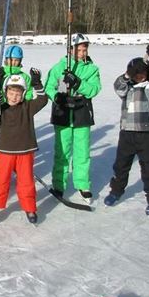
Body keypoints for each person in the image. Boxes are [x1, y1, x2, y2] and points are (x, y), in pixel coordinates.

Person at [104, 43, 149, 215]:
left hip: (146, 136)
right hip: (127, 134)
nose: (140, 76)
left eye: (143, 73)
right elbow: (118, 85)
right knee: (121, 166)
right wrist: (128, 74)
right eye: (136, 73)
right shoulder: (127, 89)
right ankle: (116, 191)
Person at [44, 33, 102, 201]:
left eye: (84, 50)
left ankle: (83, 184)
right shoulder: (59, 67)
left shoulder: (92, 69)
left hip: (81, 113)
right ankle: (59, 184)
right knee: (62, 152)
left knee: (82, 152)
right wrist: (56, 96)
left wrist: (78, 83)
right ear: (70, 50)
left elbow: (94, 89)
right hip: (62, 113)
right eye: (79, 50)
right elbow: (49, 86)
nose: (82, 53)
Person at [0, 70, 48, 224]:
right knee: (1, 179)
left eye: (18, 93)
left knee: (26, 181)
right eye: (11, 92)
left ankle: (29, 207)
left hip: (25, 151)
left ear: (23, 94)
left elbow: (42, 100)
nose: (14, 97)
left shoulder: (27, 107)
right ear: (6, 92)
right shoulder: (2, 107)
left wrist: (37, 83)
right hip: (5, 151)